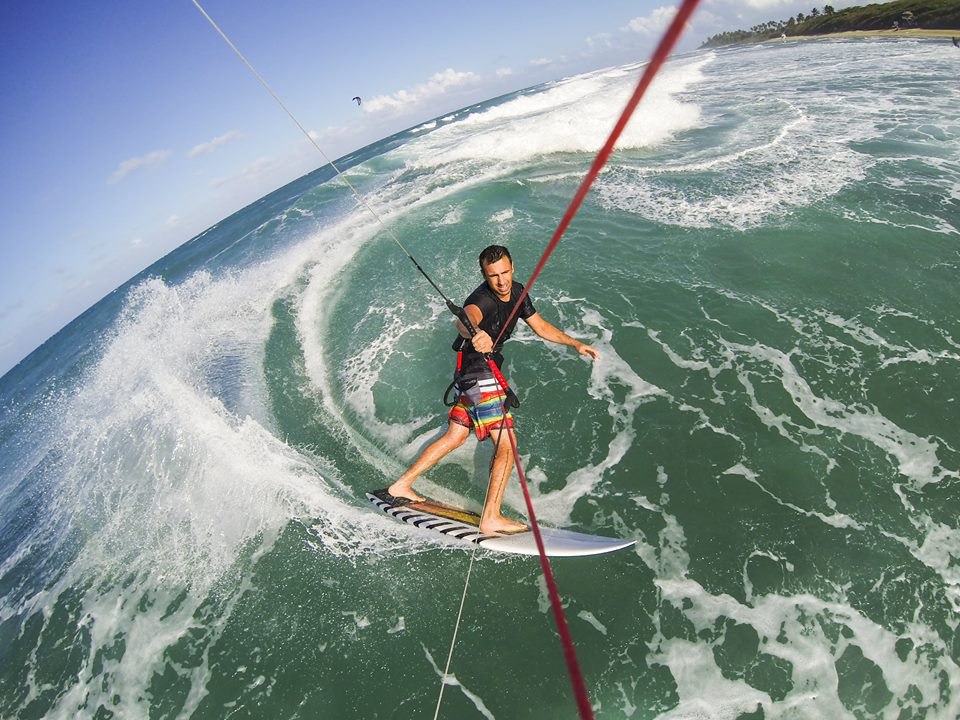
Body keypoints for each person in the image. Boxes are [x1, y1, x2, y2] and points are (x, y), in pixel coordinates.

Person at [387, 244, 600, 534]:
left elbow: (539, 326)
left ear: (513, 267)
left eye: (504, 273)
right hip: (480, 373)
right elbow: (465, 319)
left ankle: (401, 485)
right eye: (492, 276)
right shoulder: (482, 299)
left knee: (455, 436)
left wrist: (575, 343)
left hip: (468, 376)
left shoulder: (519, 291)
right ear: (484, 275)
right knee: (507, 446)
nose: (500, 281)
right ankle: (491, 518)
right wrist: (476, 332)